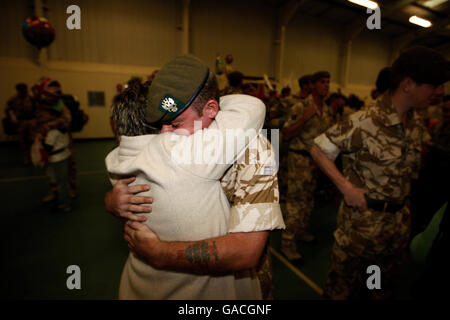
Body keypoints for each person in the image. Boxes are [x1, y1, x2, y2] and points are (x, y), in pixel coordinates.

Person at [104, 54, 285, 299]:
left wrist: (161, 254)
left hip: (237, 278)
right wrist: (112, 200)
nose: (165, 134)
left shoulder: (256, 151)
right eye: (161, 125)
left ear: (212, 109)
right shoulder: (172, 146)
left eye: (176, 124)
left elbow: (245, 251)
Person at [310, 46, 449, 299]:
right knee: (340, 290)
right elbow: (319, 149)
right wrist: (346, 188)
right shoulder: (366, 120)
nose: (440, 91)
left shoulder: (415, 123)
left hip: (396, 227)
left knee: (379, 288)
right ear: (408, 85)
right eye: (435, 84)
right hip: (362, 228)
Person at [280, 70, 333, 261]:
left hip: (316, 161)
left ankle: (300, 232)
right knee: (295, 203)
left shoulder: (327, 111)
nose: (326, 85)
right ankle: (287, 243)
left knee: (309, 201)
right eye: (322, 82)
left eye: (328, 82)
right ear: (313, 85)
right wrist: (304, 119)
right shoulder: (301, 107)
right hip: (299, 160)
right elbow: (286, 133)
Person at [5, 83, 36, 164]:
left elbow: (37, 109)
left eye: (26, 89)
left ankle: (33, 157)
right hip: (21, 122)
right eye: (23, 90)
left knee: (32, 140)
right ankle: (26, 158)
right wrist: (11, 119)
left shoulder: (31, 99)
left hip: (32, 121)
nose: (25, 91)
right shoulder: (13, 99)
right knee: (23, 141)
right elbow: (7, 110)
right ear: (18, 91)